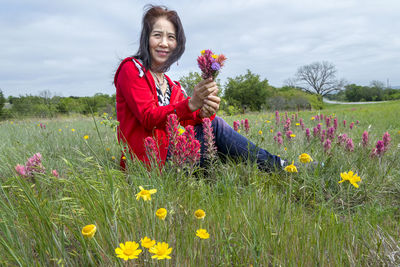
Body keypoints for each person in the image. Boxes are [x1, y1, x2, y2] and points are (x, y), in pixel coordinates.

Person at [114, 5, 286, 172]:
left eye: (171, 37)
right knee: (216, 127)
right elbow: (148, 117)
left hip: (171, 155)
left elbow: (184, 119)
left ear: (177, 44)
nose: (164, 43)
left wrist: (204, 111)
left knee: (211, 124)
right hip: (146, 162)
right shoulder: (132, 69)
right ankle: (278, 166)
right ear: (146, 38)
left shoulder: (172, 85)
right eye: (157, 35)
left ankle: (269, 167)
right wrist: (190, 104)